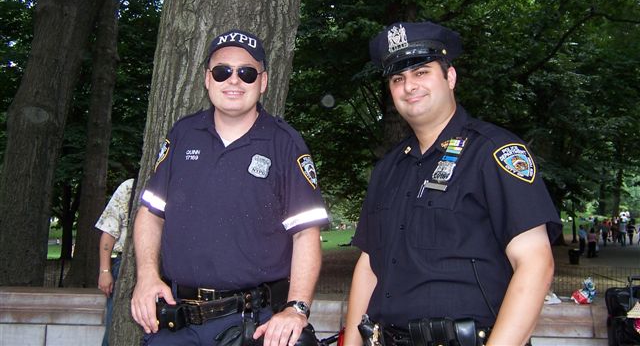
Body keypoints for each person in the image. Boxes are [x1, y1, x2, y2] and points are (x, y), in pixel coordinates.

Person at [343, 22, 562, 346]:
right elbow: (369, 266)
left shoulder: (493, 152)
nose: (409, 86)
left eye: (422, 72)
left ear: (450, 77)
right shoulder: (387, 168)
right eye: (398, 78)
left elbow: (535, 262)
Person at [131, 29, 330, 346]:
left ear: (262, 82)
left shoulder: (284, 143)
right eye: (222, 71)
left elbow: (306, 233)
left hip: (252, 325)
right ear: (208, 79)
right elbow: (151, 214)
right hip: (175, 324)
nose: (234, 81)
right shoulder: (183, 135)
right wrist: (146, 277)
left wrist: (296, 307)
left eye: (247, 73)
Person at [95, 177, 134, 346]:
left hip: (165, 271)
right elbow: (109, 231)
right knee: (115, 327)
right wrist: (105, 271)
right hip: (125, 267)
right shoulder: (130, 187)